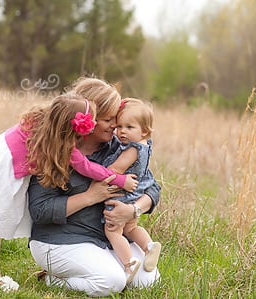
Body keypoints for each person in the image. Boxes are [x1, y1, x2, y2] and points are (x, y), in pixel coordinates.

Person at [0, 91, 139, 292]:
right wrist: (121, 179)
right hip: (8, 170)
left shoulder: (43, 123)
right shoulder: (63, 145)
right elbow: (88, 168)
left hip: (0, 160)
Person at [27, 77, 162, 296]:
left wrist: (133, 210)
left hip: (105, 238)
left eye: (117, 121)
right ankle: (52, 280)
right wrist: (91, 196)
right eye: (109, 120)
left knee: (147, 280)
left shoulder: (118, 148)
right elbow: (40, 210)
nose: (115, 127)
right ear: (88, 119)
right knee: (112, 282)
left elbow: (152, 187)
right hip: (62, 239)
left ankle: (100, 266)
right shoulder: (56, 152)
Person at [102, 98, 162, 281]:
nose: (122, 132)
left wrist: (98, 169)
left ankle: (129, 263)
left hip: (123, 196)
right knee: (131, 227)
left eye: (129, 127)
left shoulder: (132, 150)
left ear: (144, 131)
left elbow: (116, 170)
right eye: (119, 127)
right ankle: (149, 247)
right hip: (137, 195)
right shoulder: (145, 145)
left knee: (112, 230)